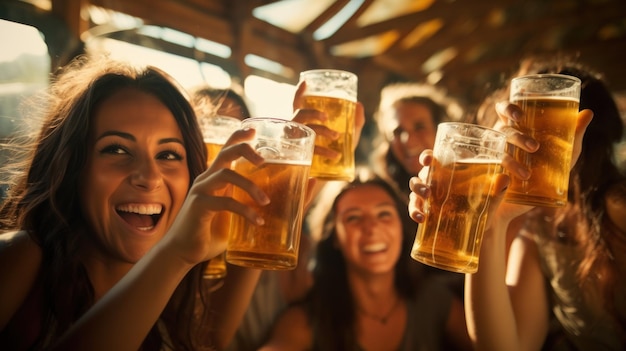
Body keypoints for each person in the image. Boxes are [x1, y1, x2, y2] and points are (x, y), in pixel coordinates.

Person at [0, 55, 293, 350]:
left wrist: (281, 200)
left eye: (168, 155)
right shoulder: (19, 258)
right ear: (71, 167)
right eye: (116, 149)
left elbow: (209, 341)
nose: (149, 177)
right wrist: (176, 254)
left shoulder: (172, 296)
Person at [409, 57, 626, 350]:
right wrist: (491, 224)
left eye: (524, 135)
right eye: (508, 138)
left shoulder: (618, 208)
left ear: (574, 133)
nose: (512, 150)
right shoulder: (542, 231)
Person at [260, 170, 473, 351]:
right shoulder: (304, 321)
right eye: (353, 217)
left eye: (384, 214)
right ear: (335, 237)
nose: (371, 227)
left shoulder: (432, 300)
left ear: (401, 229)